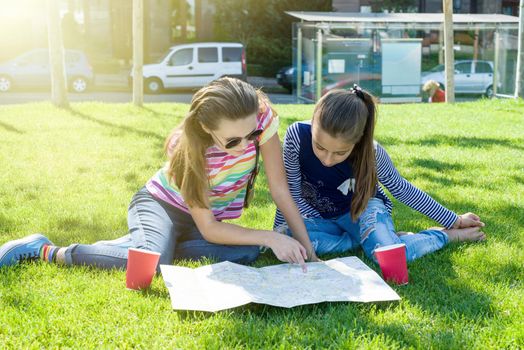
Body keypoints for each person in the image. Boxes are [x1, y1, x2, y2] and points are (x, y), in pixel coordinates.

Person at [0, 78, 318, 271]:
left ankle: (149, 244)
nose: (247, 145)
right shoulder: (188, 148)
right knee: (149, 268)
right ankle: (45, 249)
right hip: (160, 206)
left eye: (252, 135)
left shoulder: (261, 120)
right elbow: (209, 229)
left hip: (201, 223)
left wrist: (311, 255)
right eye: (233, 141)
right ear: (208, 129)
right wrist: (270, 235)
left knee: (248, 250)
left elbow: (279, 190)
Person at [274, 86, 485, 263]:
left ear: (357, 142)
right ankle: (370, 238)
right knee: (287, 239)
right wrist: (279, 229)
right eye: (320, 147)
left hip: (364, 212)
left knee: (386, 256)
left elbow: (402, 189)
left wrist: (453, 221)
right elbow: (290, 192)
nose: (327, 160)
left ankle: (443, 236)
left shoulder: (371, 152)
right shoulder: (296, 135)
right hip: (322, 217)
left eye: (340, 152)